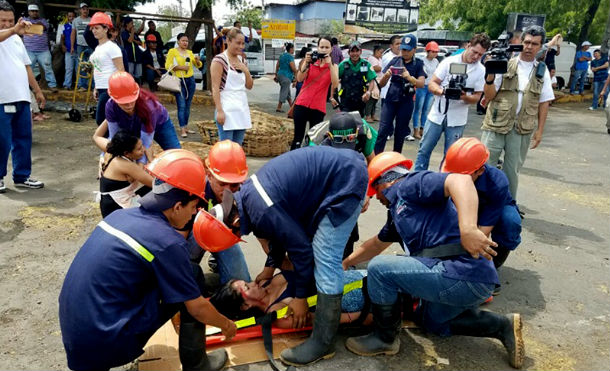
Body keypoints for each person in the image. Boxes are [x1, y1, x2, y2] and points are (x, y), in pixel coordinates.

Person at [342, 151, 524, 369]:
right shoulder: (399, 213)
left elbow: (460, 180)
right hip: (472, 282)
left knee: (380, 269)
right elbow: (374, 244)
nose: (377, 198)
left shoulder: (411, 184)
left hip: (463, 275)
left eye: (375, 191)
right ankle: (502, 326)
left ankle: (385, 338)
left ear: (385, 182)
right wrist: (344, 263)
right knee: (432, 320)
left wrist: (467, 229)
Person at [59, 149, 237, 371]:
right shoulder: (167, 242)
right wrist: (226, 325)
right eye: (193, 208)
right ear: (178, 206)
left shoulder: (120, 215)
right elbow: (198, 308)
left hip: (78, 335)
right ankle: (198, 366)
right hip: (107, 341)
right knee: (193, 276)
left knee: (179, 277)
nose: (193, 215)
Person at [197, 146, 367, 366]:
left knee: (325, 258)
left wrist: (300, 299)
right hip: (340, 170)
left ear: (235, 223)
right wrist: (270, 266)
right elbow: (276, 236)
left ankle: (323, 343)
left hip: (345, 179)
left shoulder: (261, 210)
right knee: (318, 255)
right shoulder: (248, 199)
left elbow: (301, 250)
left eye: (238, 234)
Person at [481, 25, 554, 201]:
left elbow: (544, 102)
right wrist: (489, 77)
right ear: (520, 43)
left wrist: (540, 131)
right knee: (484, 166)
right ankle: (479, 202)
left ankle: (508, 204)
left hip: (522, 128)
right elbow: (489, 95)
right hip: (496, 123)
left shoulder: (541, 72)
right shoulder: (504, 64)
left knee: (512, 170)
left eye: (534, 44)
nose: (529, 47)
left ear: (540, 46)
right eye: (527, 42)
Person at [413, 33, 490, 171]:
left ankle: (444, 184)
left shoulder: (480, 69)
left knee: (451, 155)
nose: (476, 57)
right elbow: (432, 84)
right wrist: (443, 92)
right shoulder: (449, 61)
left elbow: (477, 97)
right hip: (437, 114)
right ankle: (418, 180)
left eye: (480, 55)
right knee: (424, 149)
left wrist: (463, 96)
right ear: (468, 46)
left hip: (458, 119)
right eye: (474, 52)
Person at [442, 137, 521, 268]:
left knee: (509, 221)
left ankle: (493, 265)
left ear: (480, 171)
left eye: (464, 175)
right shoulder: (450, 166)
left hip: (493, 207)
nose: (458, 179)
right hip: (462, 204)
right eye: (455, 174)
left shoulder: (497, 182)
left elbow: (483, 232)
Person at [186, 140, 251, 285]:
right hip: (191, 237)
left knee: (241, 286)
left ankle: (217, 261)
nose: (228, 190)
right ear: (209, 175)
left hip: (223, 236)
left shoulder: (246, 191)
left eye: (234, 185)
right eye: (222, 183)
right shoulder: (193, 190)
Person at [211, 269, 369, 327]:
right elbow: (321, 319)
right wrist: (360, 317)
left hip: (352, 275)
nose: (253, 283)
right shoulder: (278, 314)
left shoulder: (266, 280)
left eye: (247, 282)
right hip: (359, 297)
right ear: (245, 306)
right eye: (247, 287)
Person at [0, 3, 45, 193]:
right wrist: (12, 30)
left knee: (24, 138)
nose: (7, 24)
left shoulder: (18, 40)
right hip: (2, 98)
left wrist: (37, 91)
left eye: (10, 20)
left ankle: (22, 176)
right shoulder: (8, 35)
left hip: (21, 96)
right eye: (3, 20)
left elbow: (27, 66)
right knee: (2, 140)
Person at [94, 72, 181, 164]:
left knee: (176, 155)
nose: (129, 105)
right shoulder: (110, 106)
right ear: (113, 98)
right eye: (123, 102)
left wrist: (141, 166)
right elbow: (114, 138)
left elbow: (145, 144)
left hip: (160, 124)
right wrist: (104, 157)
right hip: (129, 123)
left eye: (132, 100)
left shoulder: (149, 106)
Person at [374, 34, 425, 155]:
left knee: (400, 133)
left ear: (414, 49)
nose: (404, 52)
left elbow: (421, 84)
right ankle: (375, 158)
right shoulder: (395, 60)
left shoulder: (418, 63)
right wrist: (386, 76)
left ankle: (396, 159)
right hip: (391, 99)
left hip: (406, 101)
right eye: (403, 49)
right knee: (383, 130)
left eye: (407, 50)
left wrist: (410, 78)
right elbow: (380, 84)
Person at [290, 36, 339, 150]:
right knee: (298, 138)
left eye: (327, 47)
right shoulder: (311, 61)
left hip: (318, 108)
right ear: (317, 48)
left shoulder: (334, 66)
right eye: (321, 47)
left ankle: (309, 164)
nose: (324, 50)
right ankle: (294, 162)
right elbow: (300, 78)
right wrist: (306, 63)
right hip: (302, 104)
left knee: (314, 140)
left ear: (331, 49)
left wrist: (330, 64)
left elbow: (335, 84)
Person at [94, 129, 153, 217]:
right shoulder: (124, 164)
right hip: (115, 209)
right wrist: (151, 160)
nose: (144, 150)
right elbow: (154, 183)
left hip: (112, 202)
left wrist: (108, 119)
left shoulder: (113, 151)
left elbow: (96, 136)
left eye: (142, 146)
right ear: (127, 153)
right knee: (163, 189)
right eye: (139, 148)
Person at [209, 28, 253, 144]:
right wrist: (219, 111)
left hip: (241, 108)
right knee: (226, 148)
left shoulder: (242, 59)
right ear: (228, 41)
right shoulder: (219, 61)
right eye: (238, 43)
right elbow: (215, 88)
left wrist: (246, 71)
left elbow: (249, 86)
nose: (241, 46)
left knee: (237, 148)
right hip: (226, 108)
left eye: (243, 43)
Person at [89, 12, 124, 126]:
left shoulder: (112, 47)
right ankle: (112, 142)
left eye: (97, 28)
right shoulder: (98, 48)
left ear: (106, 29)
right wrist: (96, 87)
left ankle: (111, 142)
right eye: (92, 28)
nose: (94, 30)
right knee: (105, 120)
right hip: (102, 88)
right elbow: (98, 69)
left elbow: (121, 70)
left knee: (102, 120)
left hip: (110, 88)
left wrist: (116, 90)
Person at [167, 33, 204, 138]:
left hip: (190, 81)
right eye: (183, 40)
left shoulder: (190, 52)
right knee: (181, 105)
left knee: (188, 105)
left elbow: (198, 65)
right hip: (179, 80)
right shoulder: (172, 52)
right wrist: (181, 68)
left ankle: (186, 127)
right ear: (178, 41)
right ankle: (182, 128)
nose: (185, 43)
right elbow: (167, 66)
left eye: (186, 41)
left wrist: (197, 60)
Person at [336, 41, 377, 117]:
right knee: (346, 121)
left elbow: (372, 80)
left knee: (359, 123)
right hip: (346, 100)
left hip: (360, 99)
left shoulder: (366, 64)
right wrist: (333, 96)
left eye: (357, 51)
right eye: (352, 51)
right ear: (349, 53)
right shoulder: (343, 65)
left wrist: (368, 92)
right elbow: (335, 80)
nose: (355, 54)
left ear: (360, 52)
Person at [23, 4, 58, 92]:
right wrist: (35, 26)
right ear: (29, 12)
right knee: (28, 69)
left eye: (36, 11)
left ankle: (52, 86)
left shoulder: (43, 21)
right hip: (29, 50)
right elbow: (21, 28)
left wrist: (34, 25)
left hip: (43, 50)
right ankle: (26, 87)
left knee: (48, 68)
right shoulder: (24, 20)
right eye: (32, 11)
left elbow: (43, 27)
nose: (34, 13)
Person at [412, 41, 440, 139]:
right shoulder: (421, 61)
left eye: (436, 52)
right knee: (418, 109)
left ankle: (422, 129)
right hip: (422, 87)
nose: (435, 54)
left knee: (426, 110)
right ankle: (415, 130)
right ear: (427, 51)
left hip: (431, 88)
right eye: (433, 51)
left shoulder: (436, 62)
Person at [71, 3, 92, 90]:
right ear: (80, 10)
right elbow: (73, 33)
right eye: (83, 9)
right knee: (82, 66)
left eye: (86, 9)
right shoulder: (75, 20)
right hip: (80, 46)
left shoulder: (92, 20)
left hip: (90, 45)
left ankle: (92, 85)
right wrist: (72, 46)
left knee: (92, 64)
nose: (85, 10)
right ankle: (83, 86)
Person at [121, 16, 144, 84]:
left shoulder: (135, 34)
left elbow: (140, 43)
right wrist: (133, 33)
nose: (133, 24)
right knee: (130, 75)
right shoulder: (124, 33)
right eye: (131, 23)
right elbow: (130, 41)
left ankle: (138, 89)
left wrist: (134, 38)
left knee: (138, 75)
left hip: (137, 58)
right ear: (127, 24)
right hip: (129, 57)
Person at [275, 43, 296, 112]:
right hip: (286, 76)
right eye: (293, 48)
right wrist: (296, 73)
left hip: (280, 75)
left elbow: (277, 65)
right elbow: (293, 67)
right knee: (284, 91)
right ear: (290, 49)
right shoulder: (290, 57)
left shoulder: (282, 55)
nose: (294, 50)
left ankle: (292, 107)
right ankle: (279, 107)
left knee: (287, 92)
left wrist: (276, 75)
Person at [365, 45, 383, 122]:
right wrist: (383, 67)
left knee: (375, 100)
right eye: (380, 52)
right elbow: (376, 68)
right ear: (376, 51)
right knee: (371, 100)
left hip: (379, 81)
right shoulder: (372, 59)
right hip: (373, 81)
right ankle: (368, 115)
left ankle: (373, 115)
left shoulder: (379, 59)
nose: (381, 54)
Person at [59, 11, 75, 89]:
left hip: (78, 50)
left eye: (73, 16)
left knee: (79, 69)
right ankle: (67, 84)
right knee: (68, 68)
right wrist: (62, 45)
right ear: (67, 17)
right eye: (69, 16)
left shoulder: (77, 25)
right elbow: (62, 38)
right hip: (68, 50)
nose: (71, 18)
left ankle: (80, 85)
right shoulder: (64, 26)